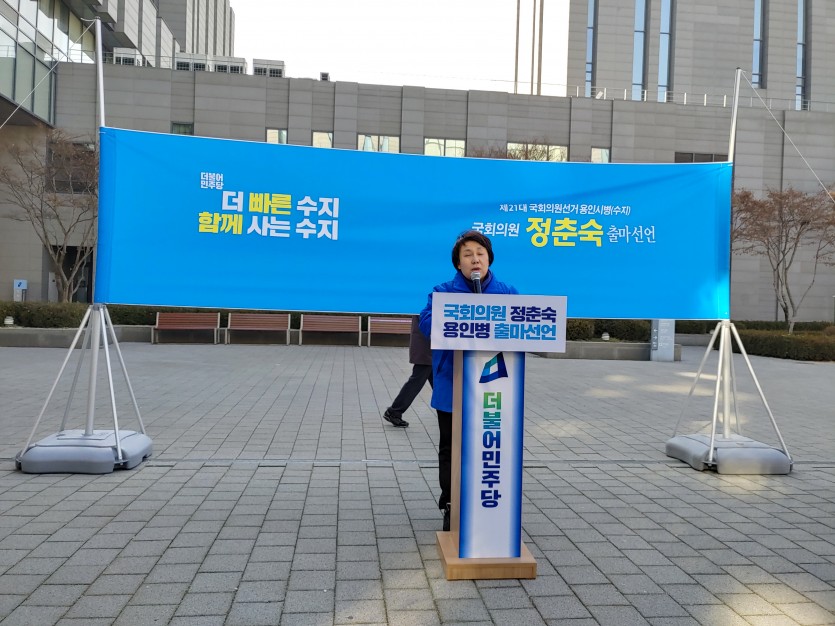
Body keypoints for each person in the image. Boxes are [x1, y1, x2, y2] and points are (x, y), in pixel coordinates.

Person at [418, 230, 518, 531]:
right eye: (468, 254)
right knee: (451, 446)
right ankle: (451, 503)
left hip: (494, 388)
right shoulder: (442, 293)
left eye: (480, 253)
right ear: (458, 263)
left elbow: (522, 327)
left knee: (488, 447)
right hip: (453, 384)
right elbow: (426, 324)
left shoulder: (508, 293)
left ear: (489, 259)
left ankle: (486, 502)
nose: (475, 259)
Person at [383, 316, 433, 428]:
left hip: (429, 348)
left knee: (439, 384)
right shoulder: (425, 307)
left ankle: (452, 413)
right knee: (416, 382)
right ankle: (394, 411)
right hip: (427, 348)